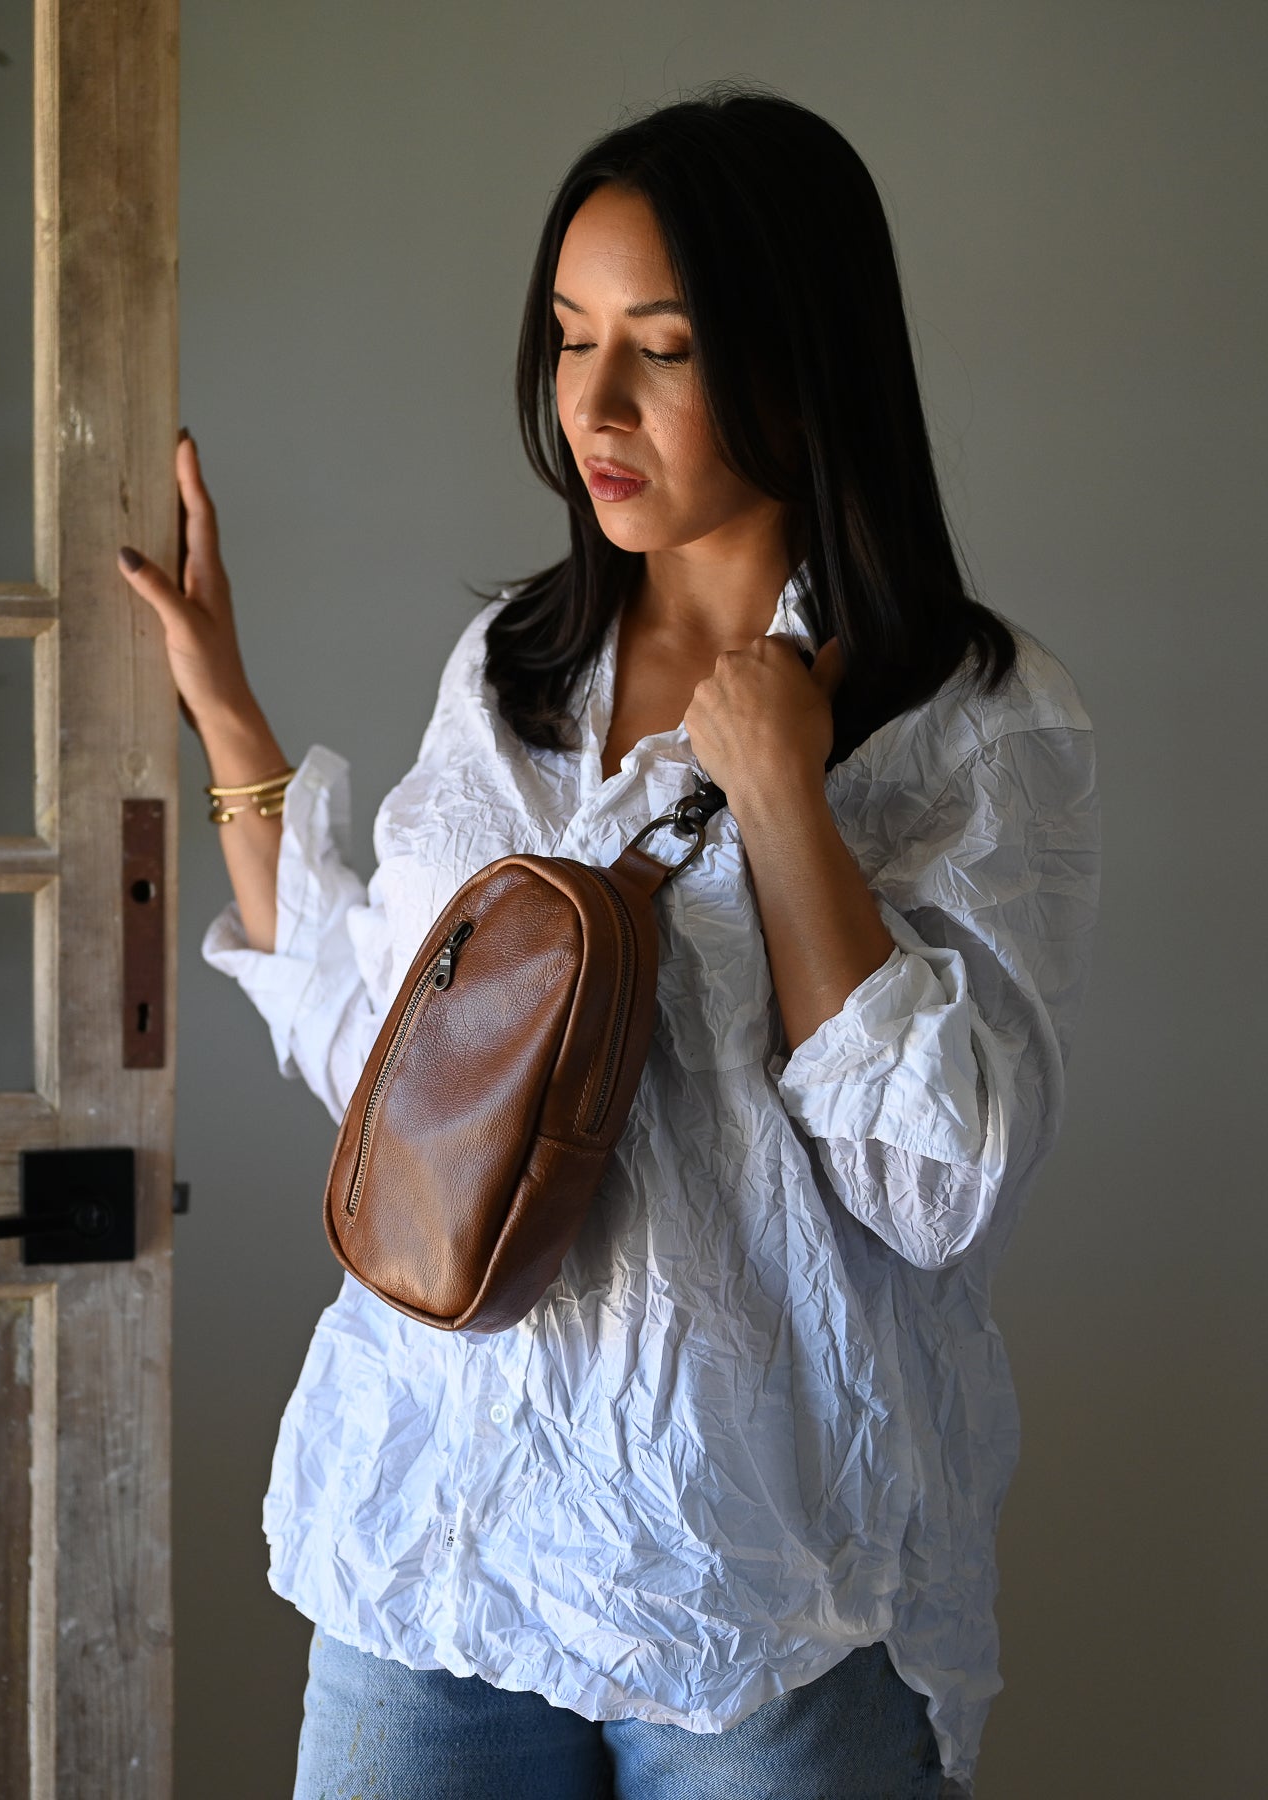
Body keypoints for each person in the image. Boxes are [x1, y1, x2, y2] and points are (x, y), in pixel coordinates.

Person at [118, 84, 1099, 1800]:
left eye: (665, 346)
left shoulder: (971, 717)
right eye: (571, 338)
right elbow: (390, 1066)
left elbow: (932, 1192)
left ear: (805, 360)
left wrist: (783, 798)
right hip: (433, 1559)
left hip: (760, 1607)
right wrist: (226, 713)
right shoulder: (514, 667)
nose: (594, 402)